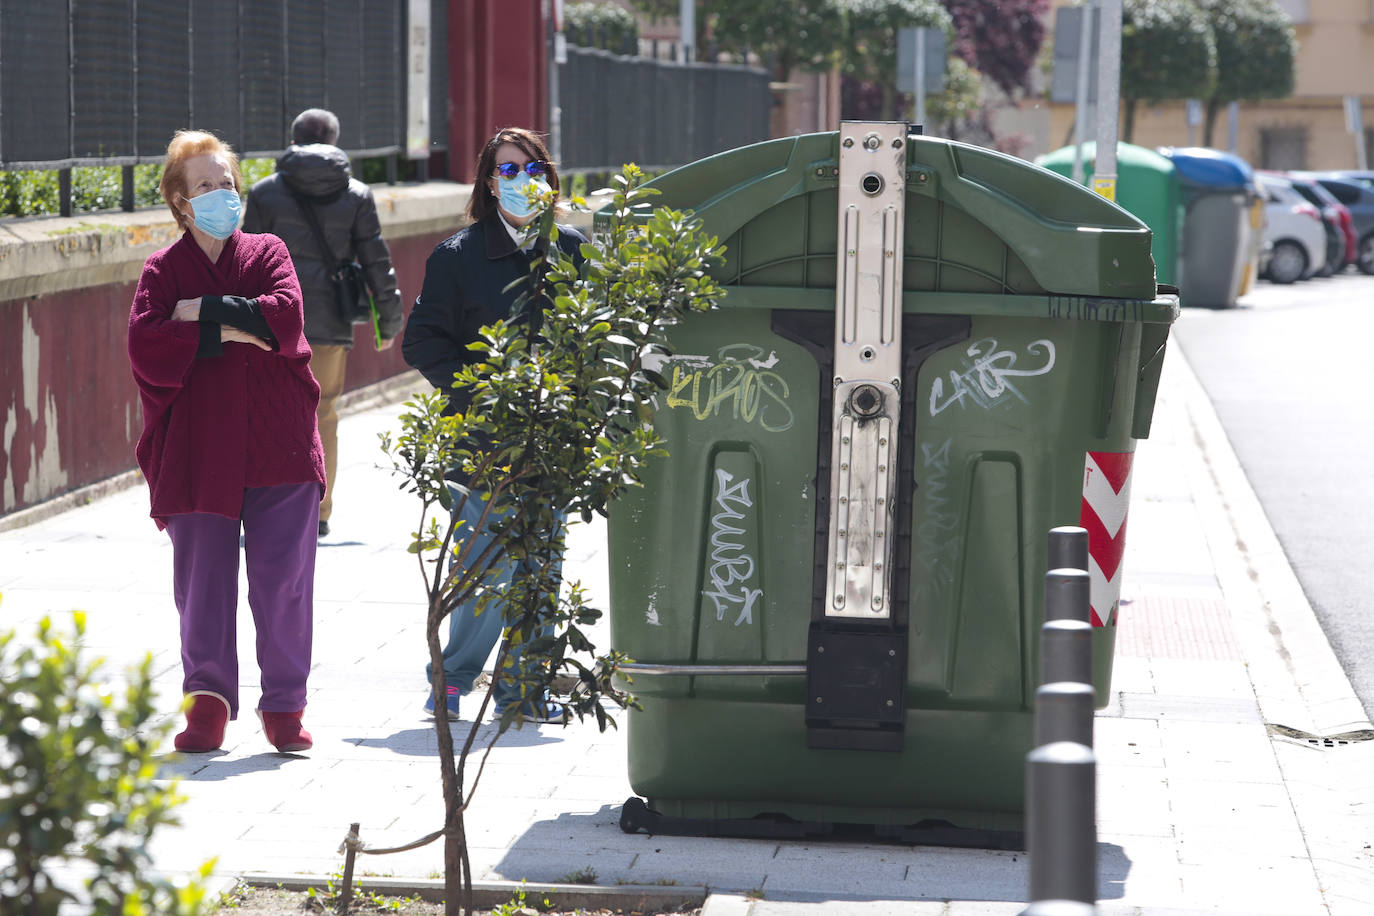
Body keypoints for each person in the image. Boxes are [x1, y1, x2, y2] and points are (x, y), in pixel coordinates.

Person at [128, 130, 325, 754]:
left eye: (228, 184)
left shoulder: (268, 249)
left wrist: (201, 313)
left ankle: (284, 707)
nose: (222, 195)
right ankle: (207, 704)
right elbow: (148, 345)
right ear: (182, 203)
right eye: (206, 186)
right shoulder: (162, 270)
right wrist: (235, 329)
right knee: (202, 582)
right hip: (197, 447)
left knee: (284, 577)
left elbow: (285, 318)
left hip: (279, 439)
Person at [402, 127, 588, 723]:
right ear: (489, 182)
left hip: (552, 436)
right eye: (508, 171)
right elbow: (423, 342)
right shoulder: (457, 256)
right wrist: (485, 398)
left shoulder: (571, 250)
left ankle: (524, 690)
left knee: (542, 566)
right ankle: (452, 678)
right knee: (485, 567)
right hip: (482, 442)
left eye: (533, 170)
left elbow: (590, 343)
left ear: (549, 180)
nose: (521, 182)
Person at [243, 108, 404, 539]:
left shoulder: (264, 193)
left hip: (272, 323)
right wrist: (388, 322)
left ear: (293, 139)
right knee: (323, 413)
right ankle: (318, 512)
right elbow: (376, 261)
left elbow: (244, 262)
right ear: (335, 141)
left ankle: (266, 506)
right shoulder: (356, 194)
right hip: (331, 322)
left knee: (268, 413)